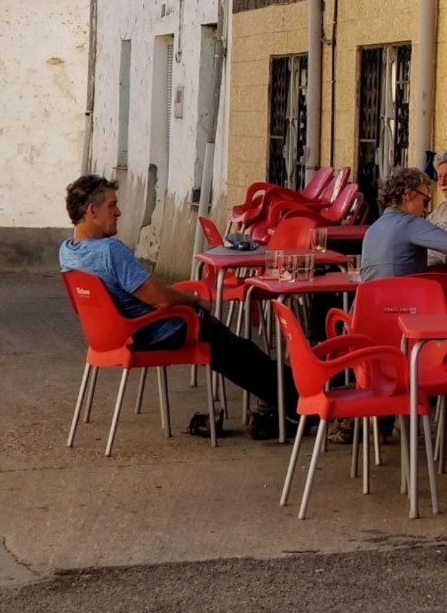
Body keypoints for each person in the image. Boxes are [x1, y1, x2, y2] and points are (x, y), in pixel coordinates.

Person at [58, 174, 294, 437]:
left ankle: (287, 399)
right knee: (237, 351)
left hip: (116, 334)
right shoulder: (110, 251)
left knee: (233, 351)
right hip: (160, 330)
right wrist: (194, 300)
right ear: (92, 210)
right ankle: (299, 399)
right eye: (112, 205)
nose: (119, 212)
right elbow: (159, 297)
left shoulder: (67, 252)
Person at [360, 165, 447, 281]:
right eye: (425, 201)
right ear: (408, 195)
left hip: (368, 303)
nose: (426, 210)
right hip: (401, 302)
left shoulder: (372, 230)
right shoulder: (410, 224)